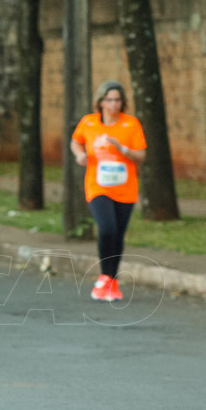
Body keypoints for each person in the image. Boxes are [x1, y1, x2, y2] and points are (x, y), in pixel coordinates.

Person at [70, 80, 147, 302]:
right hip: (98, 186)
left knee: (118, 233)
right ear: (101, 101)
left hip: (125, 187)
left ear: (123, 102)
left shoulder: (131, 124)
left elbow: (141, 155)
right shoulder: (89, 122)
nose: (113, 104)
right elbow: (75, 142)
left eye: (117, 100)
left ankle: (113, 279)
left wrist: (121, 148)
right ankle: (104, 276)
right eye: (109, 99)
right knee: (107, 228)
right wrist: (79, 155)